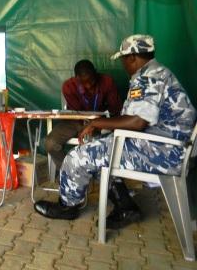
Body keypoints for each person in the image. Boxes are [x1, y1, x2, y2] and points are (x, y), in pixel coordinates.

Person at [34, 34, 196, 228]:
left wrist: (97, 124)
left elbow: (137, 122)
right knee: (101, 149)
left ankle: (68, 206)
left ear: (132, 58)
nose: (122, 64)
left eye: (123, 59)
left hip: (164, 151)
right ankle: (125, 207)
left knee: (78, 156)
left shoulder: (148, 77)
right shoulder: (158, 72)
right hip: (168, 146)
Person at [45, 59, 122, 170]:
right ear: (77, 78)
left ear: (95, 73)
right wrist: (87, 125)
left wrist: (99, 125)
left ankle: (97, 177)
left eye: (91, 81)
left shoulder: (107, 82)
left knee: (98, 145)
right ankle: (69, 171)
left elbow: (115, 109)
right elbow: (77, 113)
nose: (89, 86)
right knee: (50, 143)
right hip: (75, 121)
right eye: (84, 83)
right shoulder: (68, 86)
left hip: (99, 122)